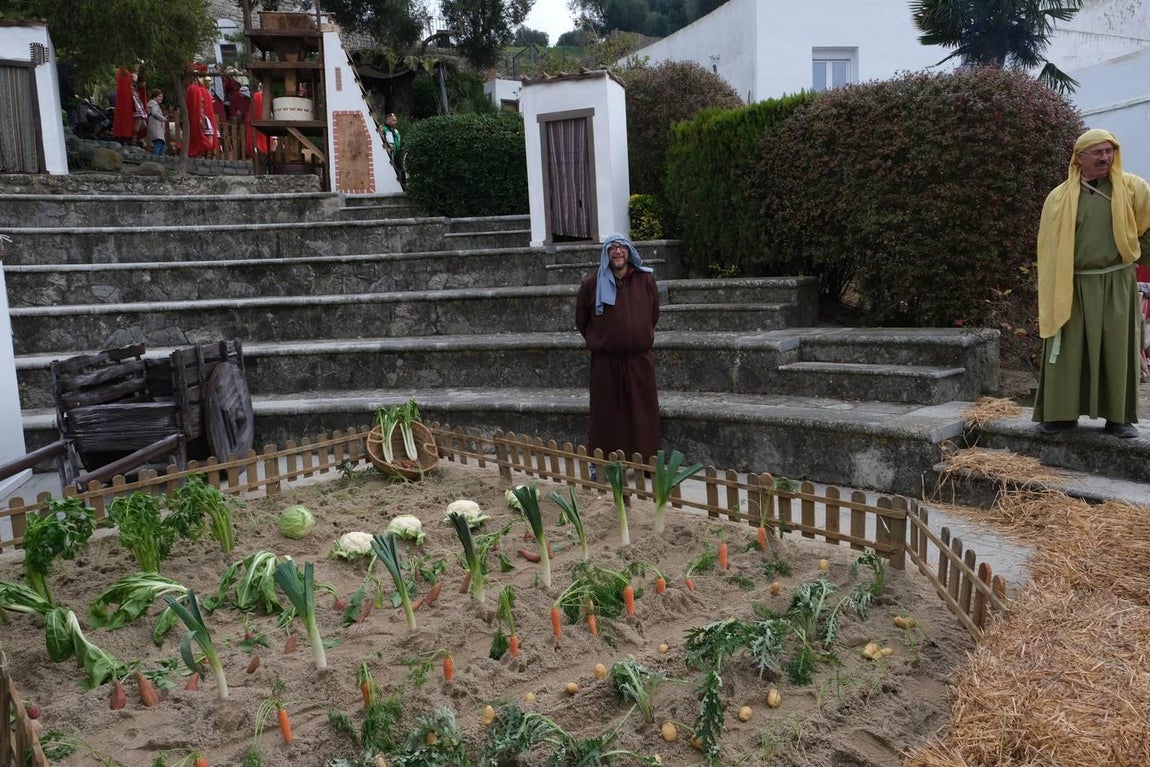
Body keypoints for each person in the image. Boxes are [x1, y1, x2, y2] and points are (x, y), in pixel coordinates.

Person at [1033, 128, 1150, 438]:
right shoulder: (1058, 199)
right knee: (1067, 348)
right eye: (1097, 152)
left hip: (1116, 282)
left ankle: (1119, 418)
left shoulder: (1133, 189)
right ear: (1079, 157)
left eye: (1109, 151)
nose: (1105, 157)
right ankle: (1060, 415)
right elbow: (1047, 246)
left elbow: (1148, 228)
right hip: (1072, 285)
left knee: (1117, 348)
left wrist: (1138, 257)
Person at [575, 233, 661, 461]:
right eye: (611, 248)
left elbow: (653, 314)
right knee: (606, 415)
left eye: (621, 246)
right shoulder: (591, 284)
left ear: (629, 251)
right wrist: (604, 339)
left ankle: (646, 463)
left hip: (638, 360)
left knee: (643, 413)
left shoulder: (645, 280)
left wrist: (634, 336)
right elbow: (582, 320)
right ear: (606, 254)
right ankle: (606, 464)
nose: (617, 251)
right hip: (606, 362)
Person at [382, 112, 405, 187]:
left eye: (395, 120)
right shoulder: (383, 129)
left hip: (397, 154)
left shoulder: (395, 131)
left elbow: (398, 140)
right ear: (388, 121)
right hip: (388, 154)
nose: (396, 122)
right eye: (394, 120)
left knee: (400, 170)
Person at [145, 89, 166, 157]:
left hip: (156, 125)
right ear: (155, 96)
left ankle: (158, 158)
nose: (161, 98)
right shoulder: (154, 103)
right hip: (156, 125)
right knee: (158, 142)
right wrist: (163, 118)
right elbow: (154, 112)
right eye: (159, 96)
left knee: (160, 143)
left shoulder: (153, 104)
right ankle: (156, 158)